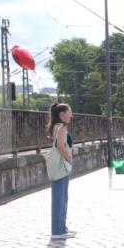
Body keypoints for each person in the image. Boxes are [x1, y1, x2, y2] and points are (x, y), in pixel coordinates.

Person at [48, 103, 75, 240]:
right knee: (60, 198)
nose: (71, 115)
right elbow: (60, 146)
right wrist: (69, 158)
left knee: (61, 198)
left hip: (60, 167)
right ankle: (58, 231)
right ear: (62, 114)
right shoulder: (62, 127)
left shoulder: (56, 126)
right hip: (61, 166)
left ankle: (61, 228)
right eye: (69, 112)